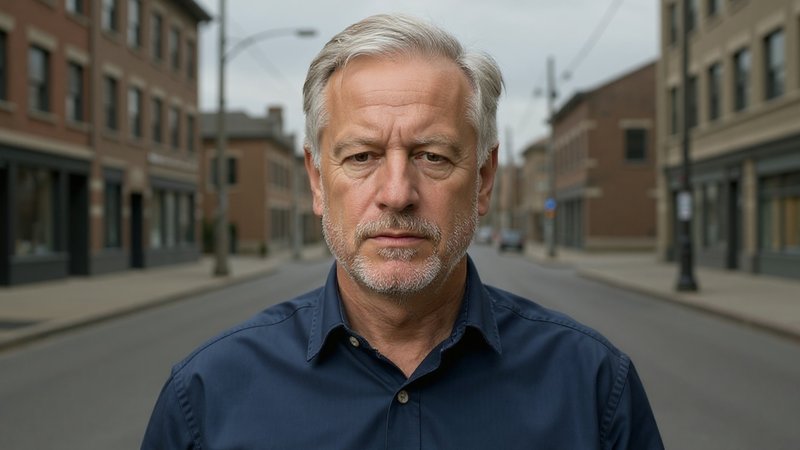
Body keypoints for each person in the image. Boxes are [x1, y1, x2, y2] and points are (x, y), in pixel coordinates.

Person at [142, 13, 664, 449]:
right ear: (317, 180)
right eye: (361, 156)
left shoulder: (594, 388)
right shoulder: (205, 397)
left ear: (483, 179)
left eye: (432, 156)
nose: (397, 193)